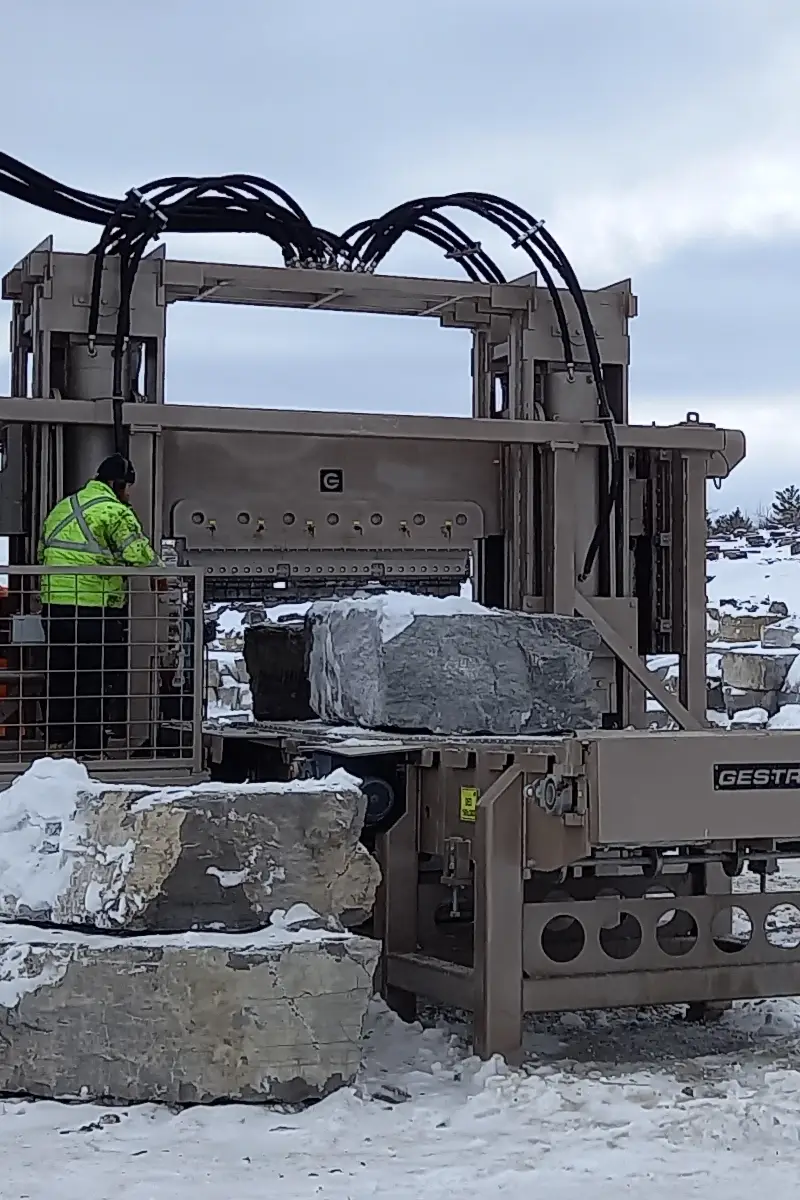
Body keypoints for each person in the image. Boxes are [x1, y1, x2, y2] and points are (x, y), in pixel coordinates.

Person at [38, 453, 161, 755]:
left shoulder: (63, 507)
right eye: (127, 486)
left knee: (61, 673)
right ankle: (89, 747)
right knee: (95, 677)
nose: (129, 493)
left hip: (55, 604)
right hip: (95, 607)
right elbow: (137, 553)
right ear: (116, 483)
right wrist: (160, 571)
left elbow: (43, 551)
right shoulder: (113, 511)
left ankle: (57, 741)